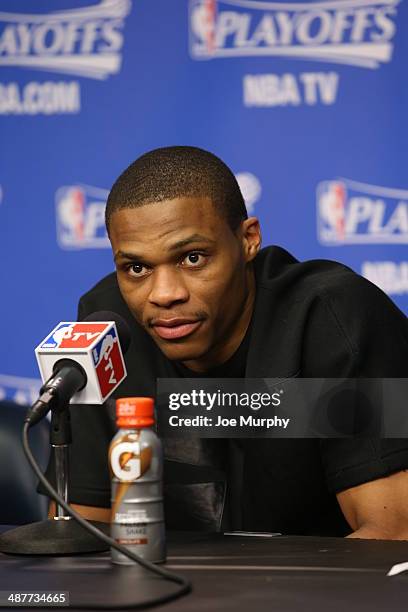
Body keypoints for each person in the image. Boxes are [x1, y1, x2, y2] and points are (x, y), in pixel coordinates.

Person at [45, 146, 408, 539]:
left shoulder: (331, 317)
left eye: (193, 258)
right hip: (163, 594)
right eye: (137, 268)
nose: (163, 294)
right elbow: (80, 539)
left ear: (248, 239)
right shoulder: (108, 331)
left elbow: (392, 535)